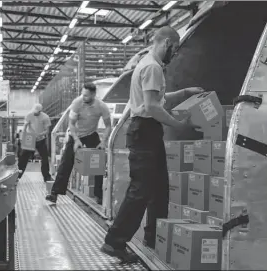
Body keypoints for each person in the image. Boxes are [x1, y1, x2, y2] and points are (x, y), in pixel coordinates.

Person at [100, 26, 204, 263]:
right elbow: (152, 107)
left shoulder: (148, 65)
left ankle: (154, 237)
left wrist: (186, 92)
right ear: (166, 42)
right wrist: (177, 125)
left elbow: (160, 99)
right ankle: (114, 242)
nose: (174, 54)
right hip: (145, 131)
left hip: (147, 132)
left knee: (159, 188)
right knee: (141, 190)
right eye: (174, 49)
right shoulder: (153, 67)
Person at [46, 82, 112, 204]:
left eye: (86, 95)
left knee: (99, 162)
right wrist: (76, 140)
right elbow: (71, 124)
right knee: (66, 163)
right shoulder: (77, 103)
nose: (83, 97)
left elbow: (108, 126)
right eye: (82, 94)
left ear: (93, 94)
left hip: (91, 135)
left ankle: (99, 195)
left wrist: (103, 142)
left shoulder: (101, 106)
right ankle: (54, 193)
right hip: (75, 135)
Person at [17, 104, 52, 182]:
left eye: (37, 113)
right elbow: (25, 126)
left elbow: (47, 131)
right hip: (30, 138)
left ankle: (46, 177)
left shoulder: (45, 117)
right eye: (34, 112)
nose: (35, 114)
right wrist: (25, 136)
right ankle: (17, 176)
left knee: (45, 158)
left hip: (41, 139)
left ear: (40, 111)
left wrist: (39, 135)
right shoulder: (29, 115)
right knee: (23, 158)